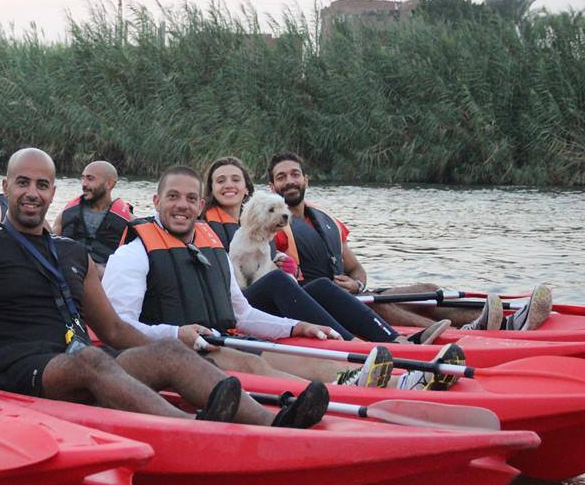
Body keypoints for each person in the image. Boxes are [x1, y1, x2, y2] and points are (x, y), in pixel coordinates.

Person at [0, 147, 331, 429]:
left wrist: (175, 351)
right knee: (91, 360)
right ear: (6, 187)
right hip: (16, 369)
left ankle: (274, 423)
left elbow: (113, 329)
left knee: (167, 352)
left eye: (42, 185)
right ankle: (192, 429)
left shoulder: (72, 253)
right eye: (22, 183)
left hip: (75, 362)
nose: (32, 193)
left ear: (54, 192)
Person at [102, 164, 450, 390]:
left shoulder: (212, 248)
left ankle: (398, 381)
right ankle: (344, 387)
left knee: (294, 354)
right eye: (173, 197)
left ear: (199, 204)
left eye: (191, 198)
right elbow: (117, 328)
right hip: (167, 354)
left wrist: (295, 326)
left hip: (219, 340)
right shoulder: (132, 255)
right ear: (156, 200)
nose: (182, 205)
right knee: (247, 360)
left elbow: (242, 313)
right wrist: (175, 333)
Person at [266, 151, 553, 332]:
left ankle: (504, 321)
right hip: (320, 306)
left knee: (426, 291)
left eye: (295, 174)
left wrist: (357, 285)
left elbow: (356, 269)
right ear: (272, 187)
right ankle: (459, 336)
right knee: (378, 306)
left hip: (353, 295)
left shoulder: (325, 219)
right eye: (281, 177)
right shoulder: (271, 228)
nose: (289, 181)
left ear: (306, 180)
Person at [200, 157, 449, 347]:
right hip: (235, 306)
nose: (228, 185)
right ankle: (353, 344)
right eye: (220, 181)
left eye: (235, 180)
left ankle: (395, 339)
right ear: (211, 189)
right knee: (277, 281)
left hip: (264, 299)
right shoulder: (204, 226)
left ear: (246, 187)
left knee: (320, 285)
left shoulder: (268, 221)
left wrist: (286, 267)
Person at [51, 160, 134, 272]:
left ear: (109, 184)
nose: (84, 184)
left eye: (90, 179)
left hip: (106, 276)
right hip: (68, 273)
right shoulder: (65, 214)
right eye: (83, 178)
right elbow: (48, 249)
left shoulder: (129, 221)